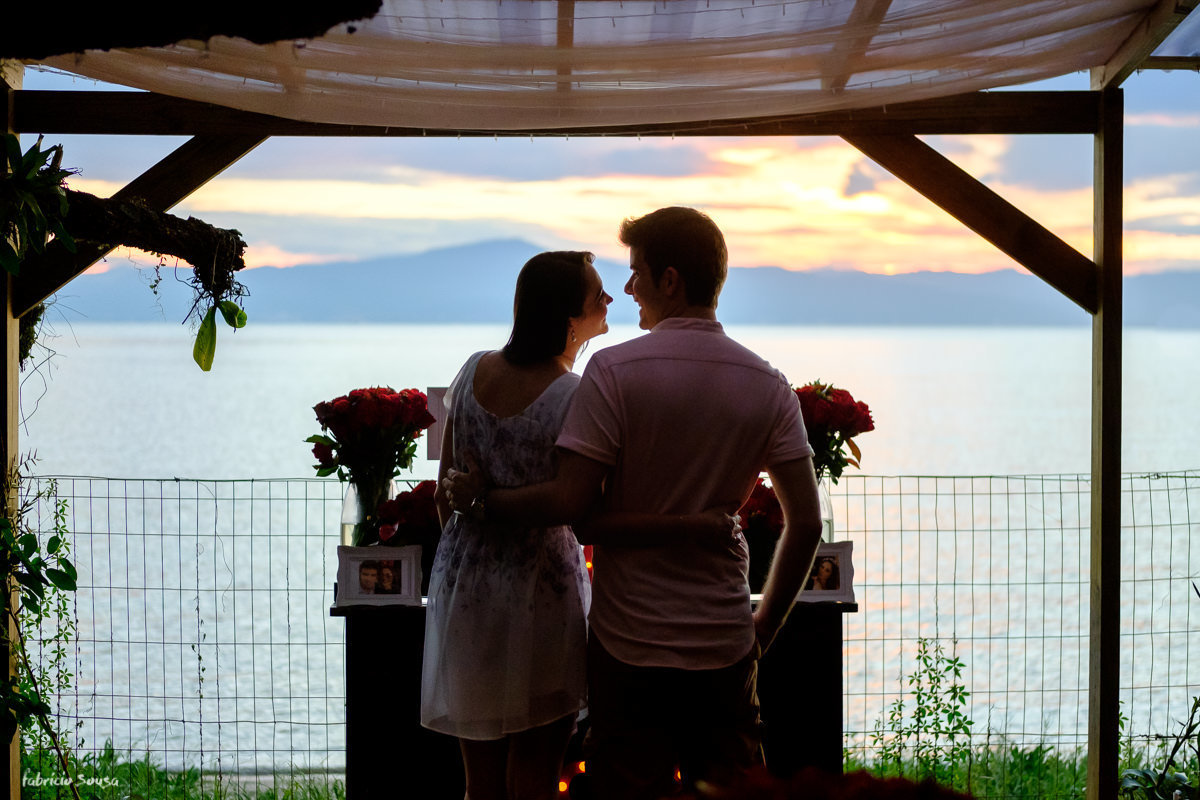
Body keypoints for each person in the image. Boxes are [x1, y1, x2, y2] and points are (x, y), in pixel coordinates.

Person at [445, 207, 824, 800]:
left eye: (636, 273)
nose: (626, 290)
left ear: (670, 280)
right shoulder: (767, 384)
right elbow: (807, 522)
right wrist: (762, 629)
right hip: (724, 642)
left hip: (627, 646)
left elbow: (579, 512)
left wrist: (483, 503)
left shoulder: (613, 371)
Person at [423, 250, 734, 800]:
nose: (612, 298)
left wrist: (471, 546)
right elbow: (580, 503)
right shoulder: (573, 394)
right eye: (597, 294)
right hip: (541, 590)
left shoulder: (472, 370)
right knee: (537, 771)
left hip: (467, 586)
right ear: (570, 319)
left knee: (481, 781)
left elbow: (445, 492)